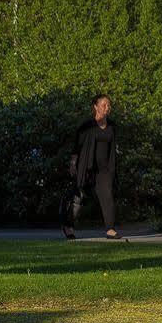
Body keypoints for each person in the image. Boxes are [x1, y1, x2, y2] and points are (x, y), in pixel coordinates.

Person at [62, 94, 121, 240]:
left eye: (109, 105)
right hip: (86, 168)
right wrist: (73, 163)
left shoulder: (112, 126)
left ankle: (110, 229)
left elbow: (113, 148)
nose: (107, 108)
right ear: (95, 107)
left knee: (107, 195)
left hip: (105, 169)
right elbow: (77, 146)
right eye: (104, 105)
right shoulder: (87, 126)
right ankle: (68, 226)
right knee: (79, 198)